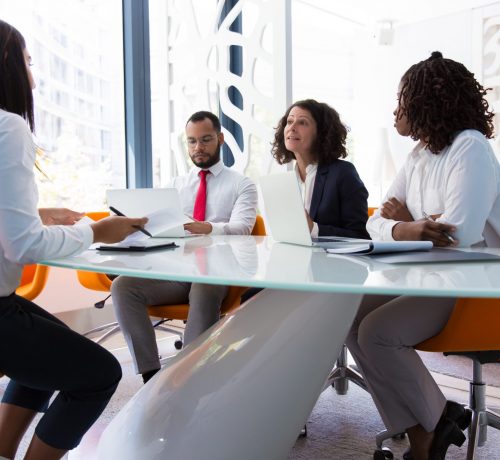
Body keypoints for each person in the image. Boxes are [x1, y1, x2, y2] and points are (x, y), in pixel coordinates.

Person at [0, 20, 148, 460]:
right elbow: (25, 247)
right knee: (99, 373)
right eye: (28, 61)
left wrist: (39, 215)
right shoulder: (8, 128)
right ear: (8, 63)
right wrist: (97, 231)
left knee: (52, 349)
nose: (33, 73)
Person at [346, 51, 500, 460]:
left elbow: (461, 233)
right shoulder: (418, 156)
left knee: (377, 331)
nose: (396, 111)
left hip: (476, 287)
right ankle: (428, 424)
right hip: (433, 276)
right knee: (346, 318)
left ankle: (432, 428)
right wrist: (413, 226)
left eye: (402, 100)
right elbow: (375, 222)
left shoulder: (470, 147)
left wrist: (408, 223)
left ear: (425, 102)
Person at [111, 111, 258, 383]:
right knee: (122, 286)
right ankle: (151, 375)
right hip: (177, 271)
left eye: (205, 140)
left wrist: (209, 227)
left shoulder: (242, 184)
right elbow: (160, 229)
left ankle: (187, 378)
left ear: (221, 139)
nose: (198, 148)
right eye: (191, 141)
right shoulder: (175, 186)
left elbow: (243, 228)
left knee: (203, 287)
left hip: (218, 271)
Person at [272, 99, 369, 239]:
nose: (292, 127)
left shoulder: (343, 173)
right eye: (289, 121)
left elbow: (360, 236)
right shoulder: (286, 181)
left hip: (332, 261)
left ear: (321, 132)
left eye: (302, 122)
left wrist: (314, 229)